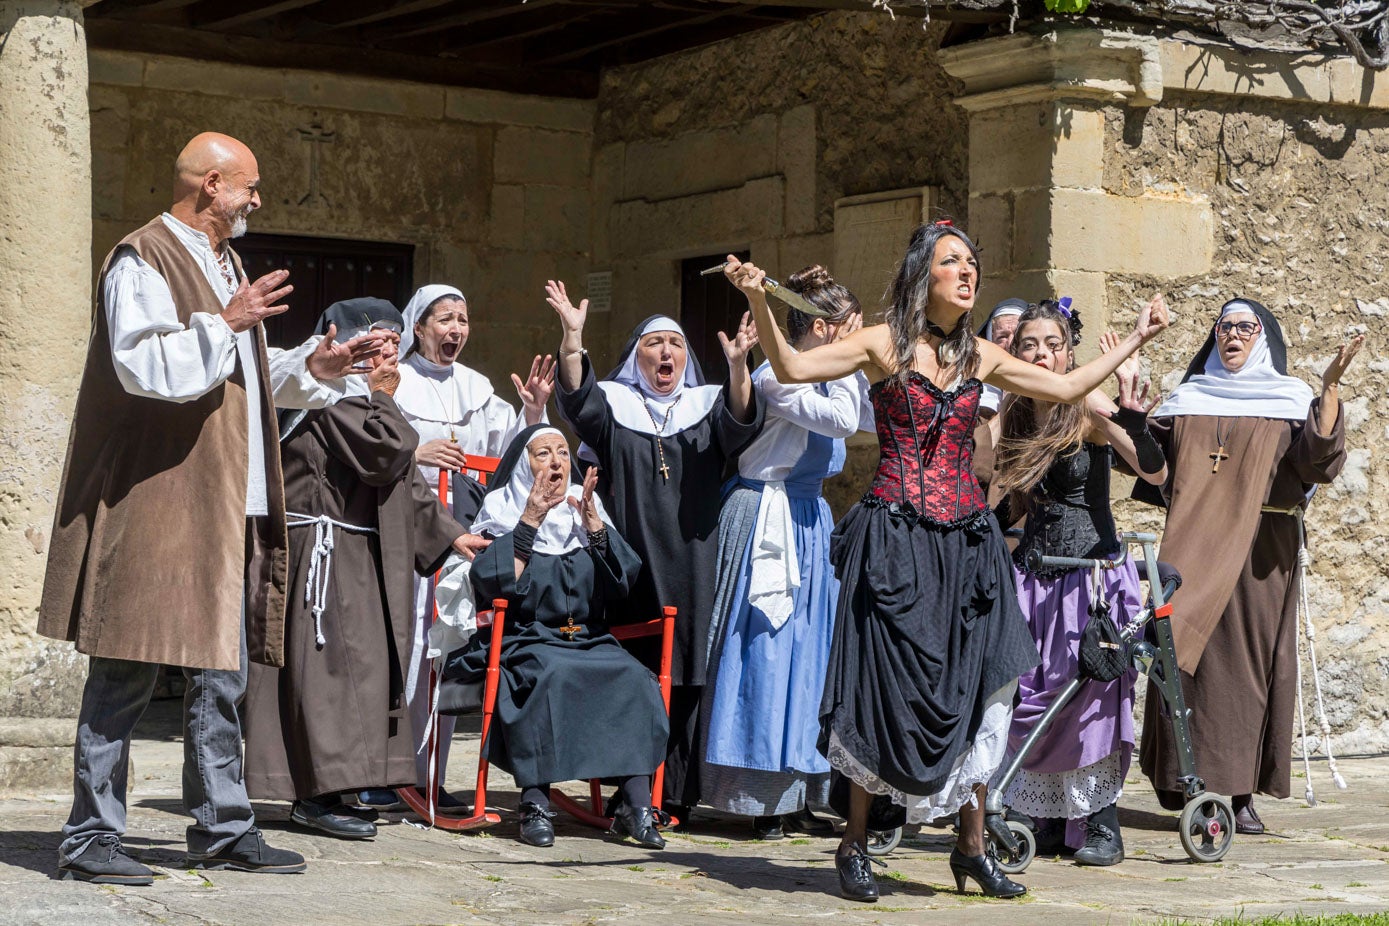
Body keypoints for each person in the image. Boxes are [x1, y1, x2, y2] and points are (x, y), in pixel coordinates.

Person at [724, 220, 1169, 903]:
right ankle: (854, 844)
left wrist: (1137, 338)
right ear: (921, 274)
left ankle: (971, 847)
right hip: (894, 538)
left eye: (971, 263)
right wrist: (759, 300)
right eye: (951, 262)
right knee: (881, 686)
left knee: (977, 684)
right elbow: (790, 368)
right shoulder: (881, 343)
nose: (967, 273)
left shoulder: (983, 356)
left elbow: (1066, 384)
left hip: (965, 541)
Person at [40, 133, 385, 884]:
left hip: (227, 500)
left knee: (222, 675)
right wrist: (225, 324)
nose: (257, 202)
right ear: (211, 182)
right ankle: (91, 833)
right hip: (161, 497)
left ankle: (224, 827)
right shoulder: (144, 257)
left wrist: (308, 367)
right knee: (126, 666)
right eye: (249, 188)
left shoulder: (224, 262)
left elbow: (236, 372)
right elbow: (143, 363)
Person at [242, 298, 488, 840]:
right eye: (378, 337)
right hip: (320, 554)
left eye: (396, 337)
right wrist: (382, 395)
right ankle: (313, 793)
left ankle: (343, 784)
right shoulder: (327, 393)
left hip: (357, 551)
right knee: (325, 673)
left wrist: (449, 535)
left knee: (361, 674)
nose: (391, 348)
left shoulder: (362, 396)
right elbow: (386, 451)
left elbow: (401, 479)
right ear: (345, 339)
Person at [1138, 299, 1360, 834]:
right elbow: (1152, 469)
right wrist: (1130, 410)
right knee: (1185, 660)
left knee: (1246, 672)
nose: (1231, 335)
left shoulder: (1288, 399)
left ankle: (1237, 792)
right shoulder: (1187, 399)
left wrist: (1328, 387)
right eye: (1223, 327)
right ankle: (1183, 781)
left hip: (1261, 553)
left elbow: (1317, 462)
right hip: (1193, 546)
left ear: (1264, 338)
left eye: (1245, 327)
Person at [548, 283, 765, 817]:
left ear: (686, 358)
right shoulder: (617, 407)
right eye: (654, 345)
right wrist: (573, 341)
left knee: (690, 672)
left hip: (696, 558)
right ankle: (633, 792)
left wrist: (739, 368)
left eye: (675, 344)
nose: (666, 352)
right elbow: (577, 400)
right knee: (635, 670)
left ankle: (677, 796)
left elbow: (739, 425)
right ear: (636, 357)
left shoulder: (704, 404)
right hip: (633, 564)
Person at [992, 303, 1167, 866]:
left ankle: (1101, 822)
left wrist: (1129, 410)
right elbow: (1002, 502)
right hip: (1036, 581)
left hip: (1088, 581)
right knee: (1031, 697)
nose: (1041, 354)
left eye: (1052, 344)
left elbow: (1154, 471)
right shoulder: (1015, 421)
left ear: (1069, 354)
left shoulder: (1087, 413)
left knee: (1088, 700)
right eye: (1029, 346)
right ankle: (1043, 818)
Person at [438, 426, 670, 850]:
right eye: (543, 453)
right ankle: (535, 803)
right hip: (526, 639)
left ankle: (634, 805)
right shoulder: (503, 509)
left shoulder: (583, 511)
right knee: (550, 674)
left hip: (587, 638)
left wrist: (593, 521)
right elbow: (496, 585)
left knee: (635, 678)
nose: (556, 462)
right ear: (524, 465)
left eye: (562, 452)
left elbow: (623, 581)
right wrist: (530, 519)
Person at [699, 265, 868, 840]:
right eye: (852, 326)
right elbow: (843, 418)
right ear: (823, 330)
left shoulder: (829, 376)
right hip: (764, 519)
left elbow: (868, 416)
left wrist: (850, 359)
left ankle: (797, 794)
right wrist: (847, 355)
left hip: (808, 519)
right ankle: (752, 795)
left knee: (808, 655)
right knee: (765, 649)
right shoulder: (776, 377)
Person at [383, 283, 554, 808]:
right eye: (444, 319)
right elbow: (367, 443)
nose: (456, 328)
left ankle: (428, 775)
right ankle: (383, 771)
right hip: (403, 534)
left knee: (447, 644)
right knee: (402, 647)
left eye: (463, 318)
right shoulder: (395, 382)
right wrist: (415, 451)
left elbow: (516, 457)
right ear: (419, 328)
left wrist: (532, 414)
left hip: (459, 536)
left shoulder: (478, 389)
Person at [973, 297, 1027, 498]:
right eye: (1002, 336)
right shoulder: (976, 394)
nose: (1011, 343)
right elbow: (976, 467)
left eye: (1019, 335)